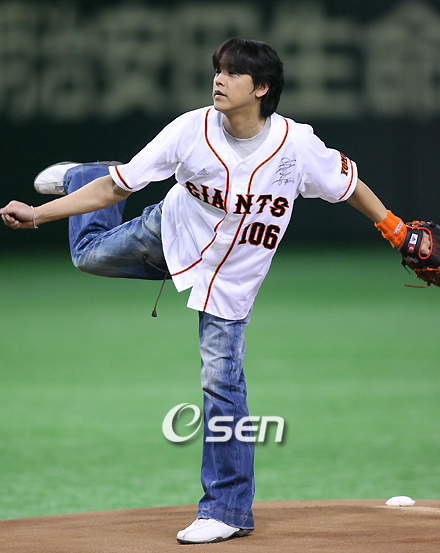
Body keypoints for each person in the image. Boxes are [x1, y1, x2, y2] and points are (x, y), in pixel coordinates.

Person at [0, 37, 429, 544]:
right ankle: (85, 174)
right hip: (170, 234)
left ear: (262, 88)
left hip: (232, 281)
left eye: (232, 72)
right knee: (87, 255)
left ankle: (227, 509)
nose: (219, 79)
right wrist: (37, 215)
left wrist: (395, 230)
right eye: (218, 70)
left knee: (222, 382)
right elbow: (119, 189)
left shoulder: (296, 146)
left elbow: (348, 185)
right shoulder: (190, 130)